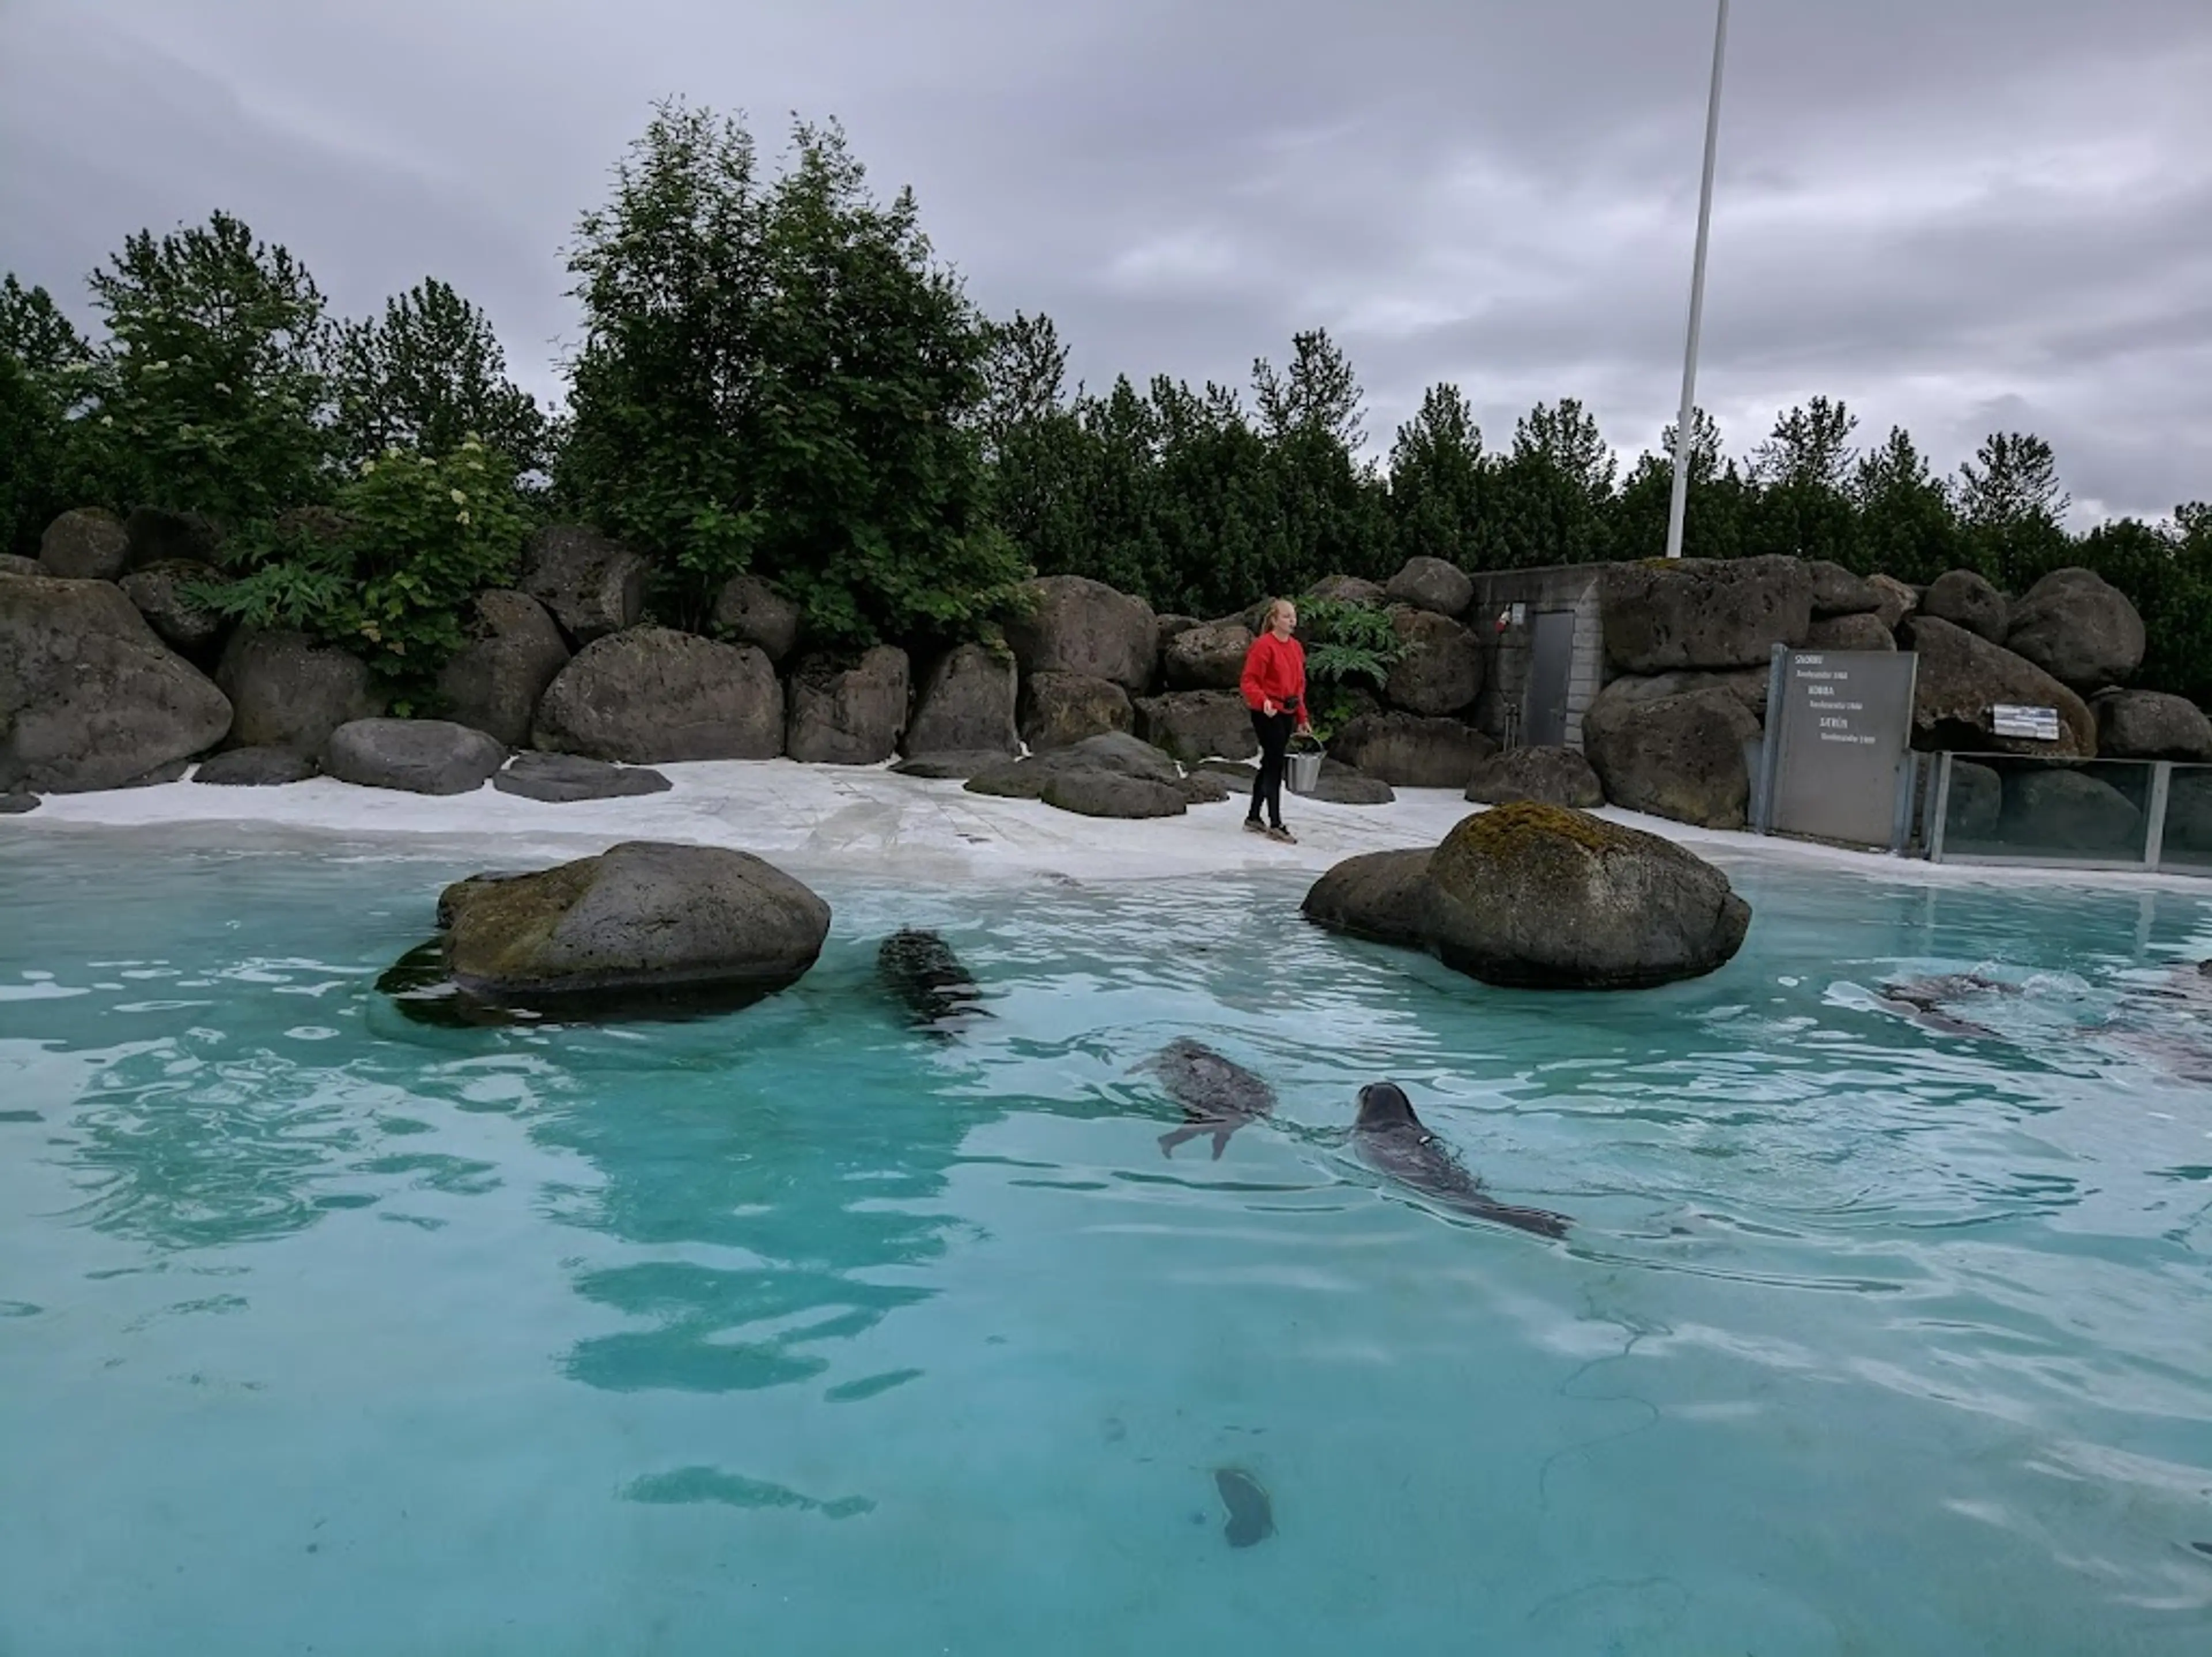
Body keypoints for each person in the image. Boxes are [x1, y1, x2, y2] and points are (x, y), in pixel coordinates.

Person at [1238, 598, 1311, 843]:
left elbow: (1299, 685)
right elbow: (1249, 681)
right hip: (1267, 712)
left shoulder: (1296, 647)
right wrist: (1263, 701)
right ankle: (1276, 822)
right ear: (1274, 620)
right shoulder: (1263, 646)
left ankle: (1253, 816)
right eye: (1287, 616)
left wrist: (1302, 717)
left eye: (1294, 616)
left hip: (1288, 711)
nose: (1293, 621)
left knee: (1270, 761)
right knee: (1275, 763)